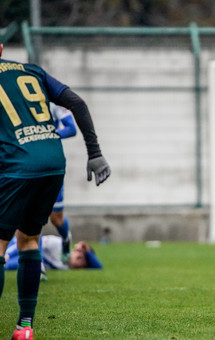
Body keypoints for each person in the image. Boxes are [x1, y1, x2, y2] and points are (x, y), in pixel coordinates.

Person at [0, 43, 111, 340]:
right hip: (52, 163)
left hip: (16, 164)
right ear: (0, 49)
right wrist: (95, 153)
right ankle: (24, 326)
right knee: (28, 240)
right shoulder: (31, 71)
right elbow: (77, 103)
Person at [49, 103, 77, 262]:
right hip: (26, 163)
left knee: (56, 218)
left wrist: (50, 135)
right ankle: (37, 265)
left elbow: (71, 128)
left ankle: (65, 238)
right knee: (29, 214)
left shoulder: (53, 103)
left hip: (53, 162)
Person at [5, 235, 102, 271]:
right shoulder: (58, 244)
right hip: (14, 246)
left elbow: (98, 267)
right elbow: (32, 241)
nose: (79, 255)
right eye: (79, 254)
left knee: (8, 267)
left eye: (82, 259)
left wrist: (88, 251)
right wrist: (8, 254)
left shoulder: (68, 268)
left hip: (26, 259)